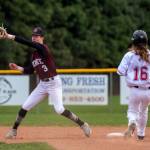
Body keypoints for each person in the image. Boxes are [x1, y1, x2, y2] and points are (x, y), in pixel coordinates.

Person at [0, 26, 91, 139]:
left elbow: (28, 43)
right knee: (25, 106)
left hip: (54, 83)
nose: (34, 38)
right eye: (33, 36)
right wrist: (17, 68)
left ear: (42, 37)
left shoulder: (43, 49)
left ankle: (82, 124)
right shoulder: (34, 55)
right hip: (42, 85)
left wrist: (9, 36)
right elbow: (29, 70)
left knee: (59, 110)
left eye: (37, 36)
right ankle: (13, 131)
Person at [117, 30, 150, 140]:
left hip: (135, 90)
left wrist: (130, 73)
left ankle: (132, 122)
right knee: (144, 111)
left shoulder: (129, 55)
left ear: (133, 42)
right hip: (148, 90)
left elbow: (120, 71)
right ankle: (141, 134)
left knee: (132, 111)